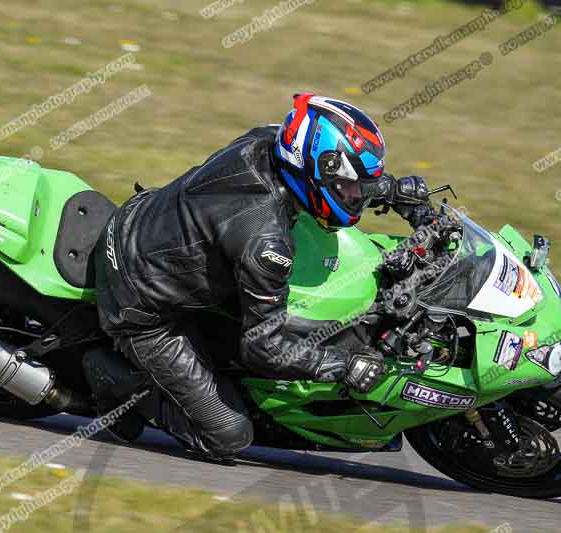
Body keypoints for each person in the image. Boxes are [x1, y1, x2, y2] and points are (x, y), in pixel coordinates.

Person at [83, 93, 434, 461]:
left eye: (359, 187)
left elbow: (329, 176)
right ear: (318, 172)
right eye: (350, 188)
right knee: (229, 435)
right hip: (140, 306)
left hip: (148, 220)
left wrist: (392, 190)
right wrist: (344, 365)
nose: (354, 195)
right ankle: (117, 381)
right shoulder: (266, 242)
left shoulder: (270, 142)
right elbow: (263, 349)